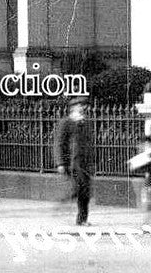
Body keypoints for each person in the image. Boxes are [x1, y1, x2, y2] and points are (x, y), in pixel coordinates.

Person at [52, 95, 94, 226]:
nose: (84, 108)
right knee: (80, 189)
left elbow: (90, 144)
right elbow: (59, 143)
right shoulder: (66, 122)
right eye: (81, 105)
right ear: (73, 108)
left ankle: (82, 218)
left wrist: (93, 161)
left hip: (85, 163)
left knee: (85, 191)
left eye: (84, 105)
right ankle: (69, 207)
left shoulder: (86, 122)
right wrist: (60, 163)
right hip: (72, 163)